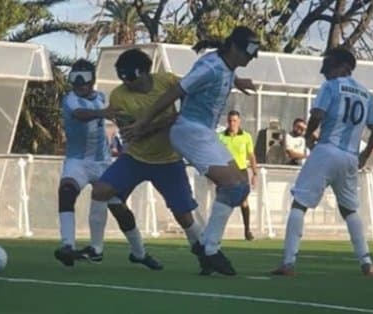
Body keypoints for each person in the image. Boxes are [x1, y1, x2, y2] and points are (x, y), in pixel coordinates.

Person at [129, 26, 259, 276]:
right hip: (188, 132)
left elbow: (227, 75)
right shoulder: (209, 67)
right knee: (232, 186)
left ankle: (208, 248)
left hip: (206, 133)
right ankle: (209, 250)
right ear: (234, 47)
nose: (250, 58)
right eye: (248, 52)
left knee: (241, 186)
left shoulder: (227, 67)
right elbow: (175, 92)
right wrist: (145, 121)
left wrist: (240, 81)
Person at [270, 47, 373, 277]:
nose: (326, 72)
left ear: (342, 66)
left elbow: (318, 114)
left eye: (329, 67)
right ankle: (367, 262)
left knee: (299, 204)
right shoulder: (366, 94)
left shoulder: (331, 87)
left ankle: (288, 262)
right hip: (350, 157)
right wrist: (365, 155)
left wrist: (308, 136)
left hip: (327, 149)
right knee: (349, 210)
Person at [92, 48, 204, 272]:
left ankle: (205, 253)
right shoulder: (119, 95)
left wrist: (152, 126)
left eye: (130, 76)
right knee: (102, 191)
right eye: (121, 77)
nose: (126, 82)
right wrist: (141, 129)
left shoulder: (168, 81)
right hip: (136, 158)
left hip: (168, 159)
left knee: (184, 216)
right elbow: (130, 132)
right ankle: (112, 250)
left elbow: (192, 105)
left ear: (144, 72)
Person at [54, 59, 148, 268]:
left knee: (119, 207)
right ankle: (68, 246)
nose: (78, 83)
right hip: (78, 161)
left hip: (103, 162)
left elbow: (117, 117)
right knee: (66, 192)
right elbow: (80, 115)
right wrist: (103, 113)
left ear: (93, 79)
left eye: (84, 78)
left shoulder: (103, 98)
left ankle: (139, 252)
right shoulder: (70, 100)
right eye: (74, 78)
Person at [218, 110, 256, 241]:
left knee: (244, 201)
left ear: (239, 121)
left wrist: (254, 173)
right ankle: (218, 230)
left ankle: (247, 230)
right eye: (230, 121)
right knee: (222, 200)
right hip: (225, 172)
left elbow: (251, 155)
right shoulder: (220, 136)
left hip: (241, 171)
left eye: (234, 121)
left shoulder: (246, 136)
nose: (232, 123)